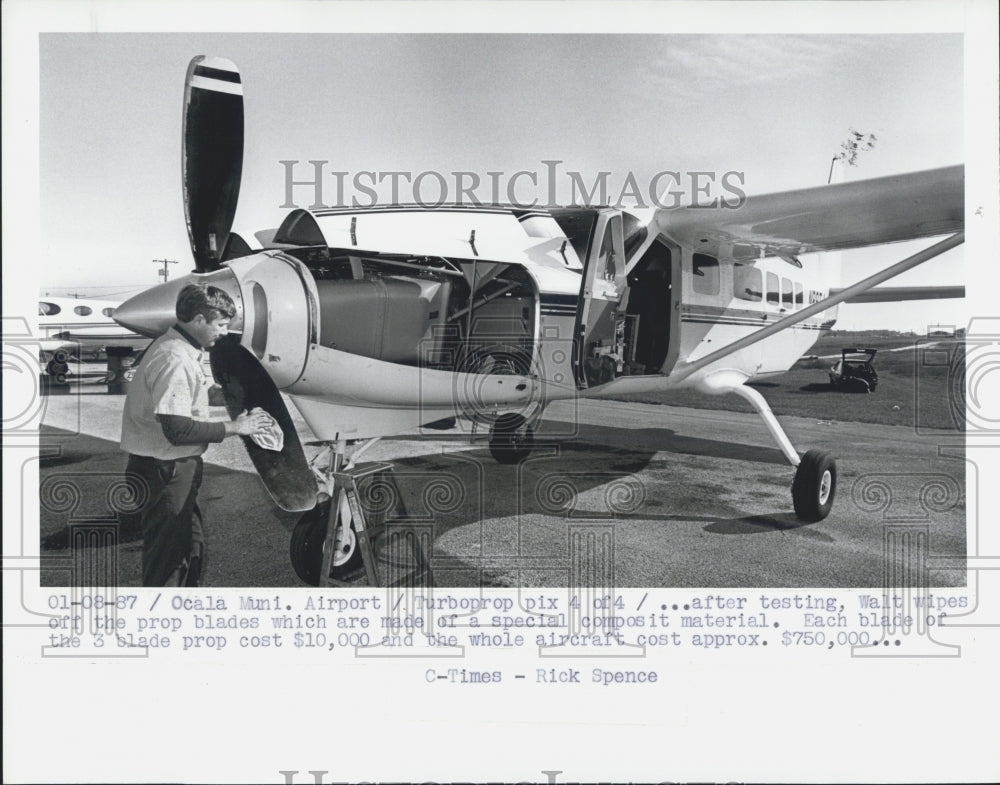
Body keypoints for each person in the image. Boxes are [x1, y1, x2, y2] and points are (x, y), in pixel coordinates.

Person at [120, 283, 269, 586]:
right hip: (166, 471)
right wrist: (237, 428)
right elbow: (178, 430)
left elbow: (189, 397)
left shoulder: (182, 349)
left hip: (171, 469)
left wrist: (224, 394)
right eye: (221, 324)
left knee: (190, 549)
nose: (225, 332)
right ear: (199, 320)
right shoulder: (173, 358)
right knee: (169, 562)